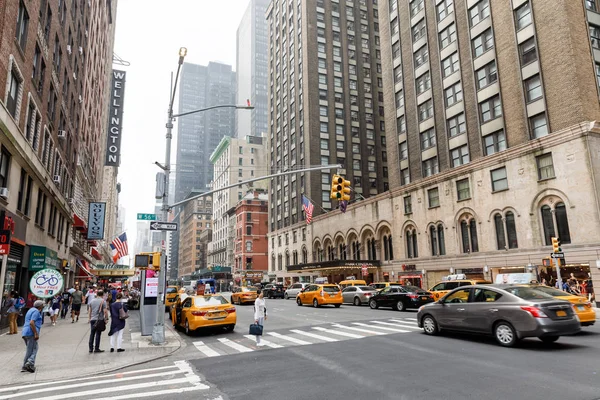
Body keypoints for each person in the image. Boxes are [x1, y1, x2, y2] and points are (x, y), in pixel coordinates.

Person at [21, 300, 44, 373]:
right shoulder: (36, 312)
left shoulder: (30, 310)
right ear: (40, 306)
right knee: (33, 348)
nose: (43, 306)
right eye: (42, 305)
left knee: (30, 349)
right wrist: (35, 333)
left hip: (25, 331)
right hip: (30, 332)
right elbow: (32, 322)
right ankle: (29, 363)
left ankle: (25, 365)